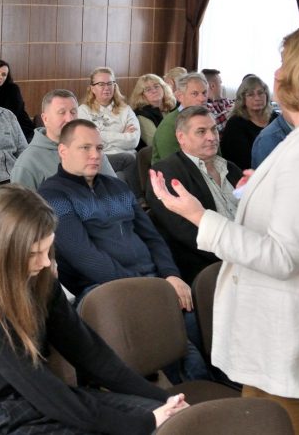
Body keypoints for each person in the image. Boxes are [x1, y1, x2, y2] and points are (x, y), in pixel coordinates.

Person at [151, 24, 299, 434]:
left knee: (276, 424)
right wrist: (264, 190)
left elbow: (281, 256)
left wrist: (200, 217)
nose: (276, 74)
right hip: (288, 331)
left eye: (285, 63)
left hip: (292, 336)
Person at [0, 187, 188, 435]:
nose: (46, 262)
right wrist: (144, 422)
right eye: (34, 253)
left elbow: (90, 354)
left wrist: (163, 399)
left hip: (34, 396)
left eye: (48, 249)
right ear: (2, 252)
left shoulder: (39, 279)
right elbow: (44, 392)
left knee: (170, 421)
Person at [39, 120, 210, 381]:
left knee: (193, 318)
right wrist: (150, 288)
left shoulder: (117, 186)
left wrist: (171, 275)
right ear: (63, 151)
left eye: (99, 148)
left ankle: (205, 384)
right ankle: (190, 391)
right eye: (85, 148)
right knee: (182, 346)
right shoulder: (52, 194)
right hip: (102, 288)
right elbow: (85, 257)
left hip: (153, 280)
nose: (95, 155)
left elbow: (152, 238)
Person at [149, 106, 240, 284]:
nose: (212, 137)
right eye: (201, 131)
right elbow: (186, 234)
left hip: (249, 253)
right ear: (181, 137)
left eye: (214, 129)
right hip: (211, 268)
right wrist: (237, 255)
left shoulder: (231, 168)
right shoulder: (167, 173)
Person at [10, 90, 117, 190]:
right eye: (62, 112)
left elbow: (116, 191)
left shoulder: (93, 149)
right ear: (45, 119)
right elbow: (20, 204)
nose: (69, 119)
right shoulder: (28, 162)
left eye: (73, 112)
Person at [77, 66, 141, 193]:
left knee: (123, 173)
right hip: (101, 157)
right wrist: (121, 135)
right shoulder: (83, 111)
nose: (106, 88)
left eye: (110, 83)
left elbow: (133, 141)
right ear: (92, 88)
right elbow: (89, 140)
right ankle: (139, 199)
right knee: (127, 160)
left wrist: (101, 134)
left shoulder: (126, 109)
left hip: (127, 158)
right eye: (101, 84)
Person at [219, 75, 276, 171]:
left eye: (260, 93)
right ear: (242, 99)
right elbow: (242, 162)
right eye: (251, 95)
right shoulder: (235, 124)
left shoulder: (275, 117)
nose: (257, 98)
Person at [150, 72, 208, 162]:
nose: (202, 98)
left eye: (204, 93)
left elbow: (217, 154)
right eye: (195, 94)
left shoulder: (207, 119)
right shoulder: (170, 125)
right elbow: (173, 164)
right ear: (180, 97)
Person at [0, 59, 35, 141]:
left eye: (4, 75)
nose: (0, 77)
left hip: (21, 130)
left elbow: (8, 116)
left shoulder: (12, 89)